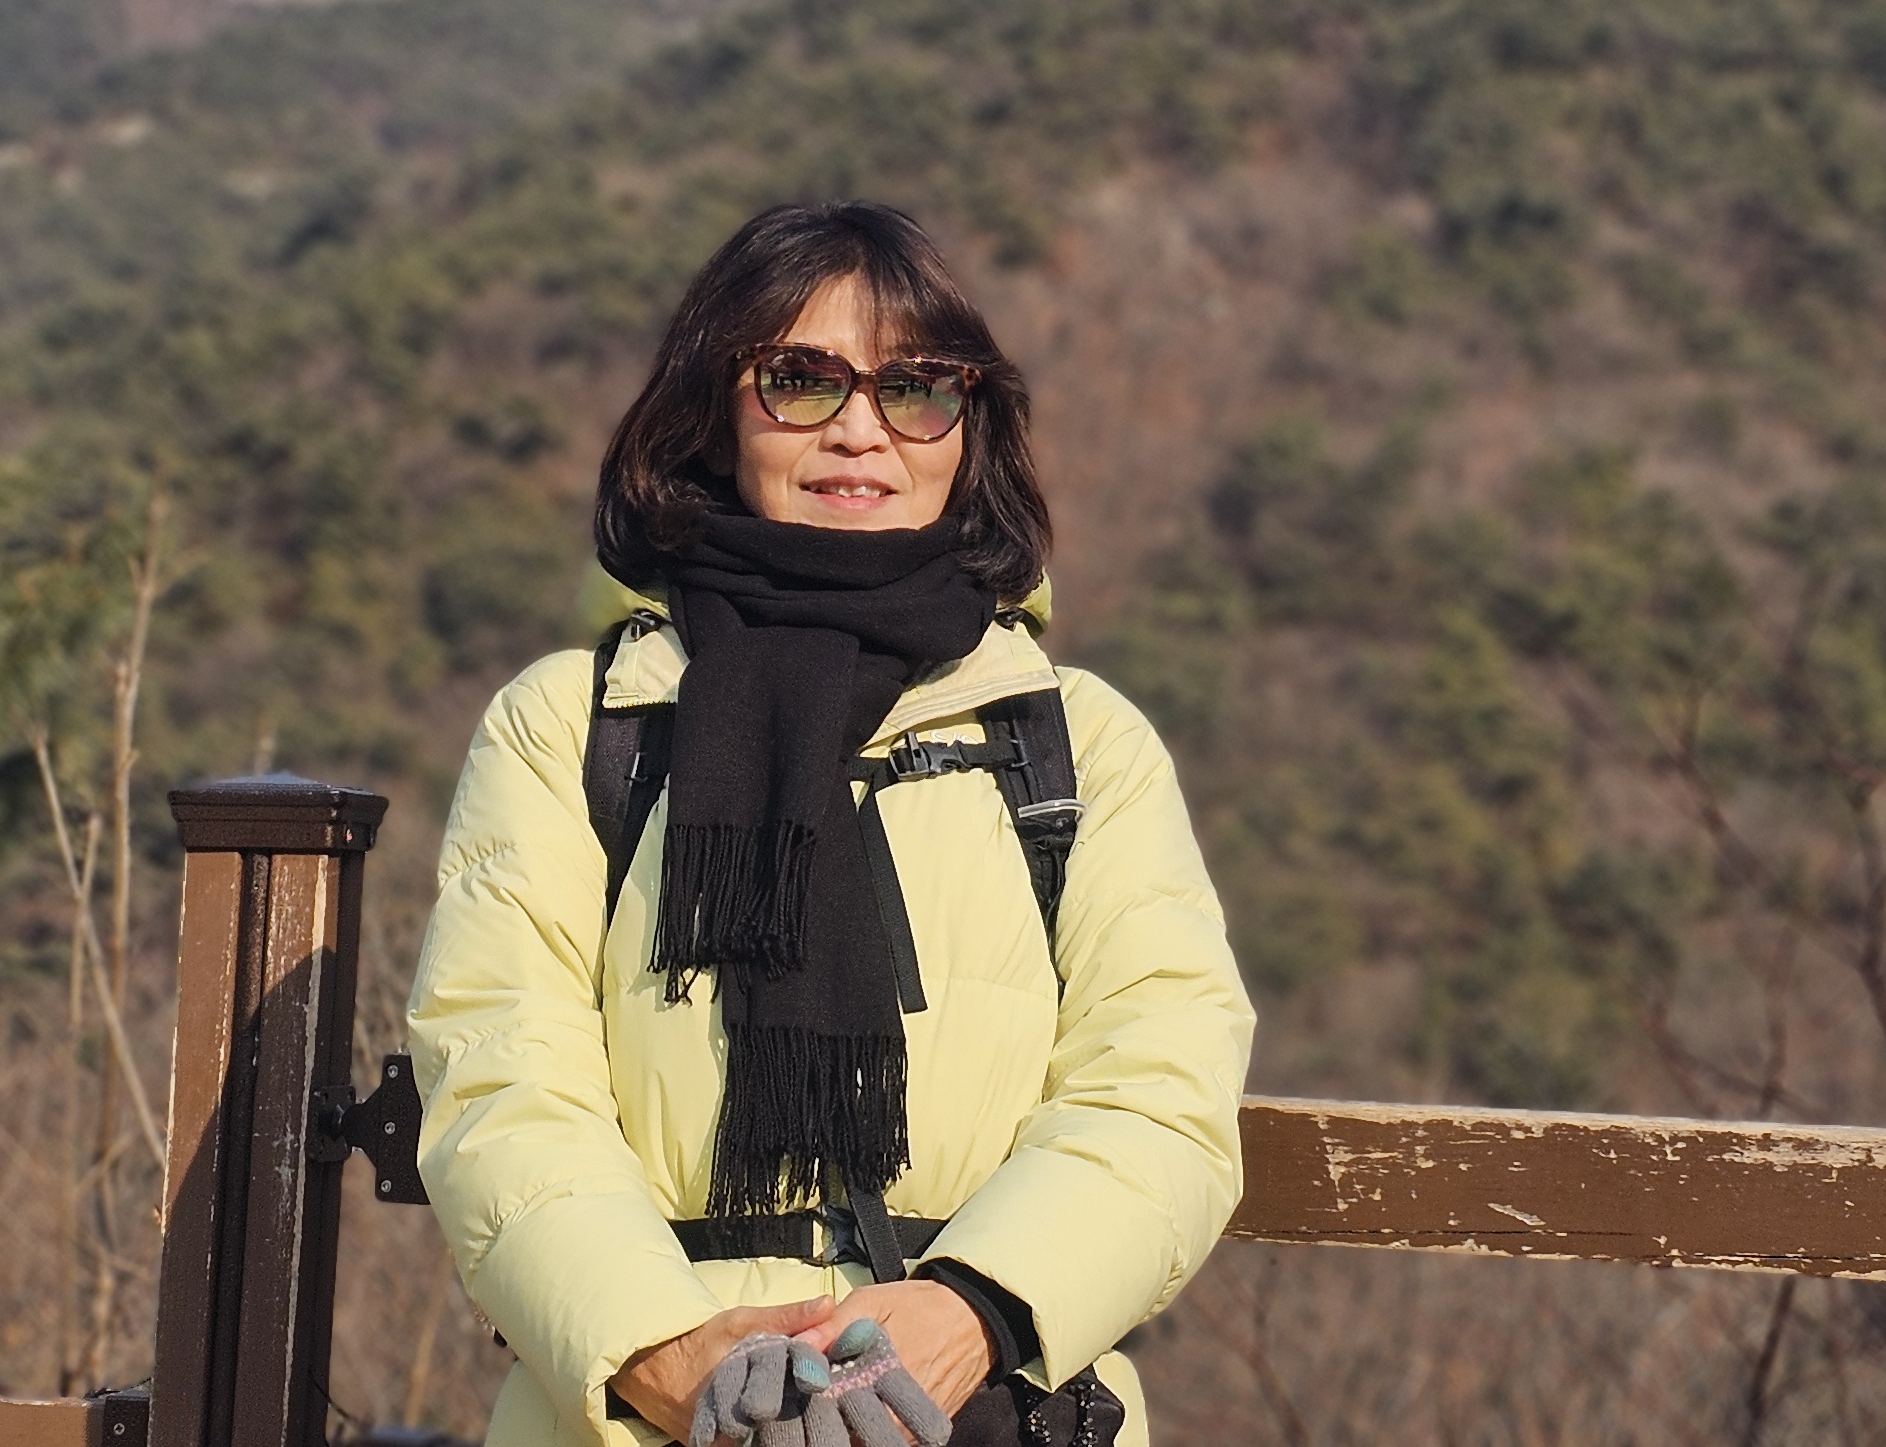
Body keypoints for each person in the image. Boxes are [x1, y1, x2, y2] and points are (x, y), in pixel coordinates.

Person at [408, 201, 1255, 1447]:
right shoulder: (575, 723)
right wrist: (670, 1355)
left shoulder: (1075, 739)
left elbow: (1159, 1090)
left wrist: (970, 1314)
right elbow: (500, 1082)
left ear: (967, 423)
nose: (860, 426)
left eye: (915, 387)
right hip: (648, 1416)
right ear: (713, 408)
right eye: (800, 379)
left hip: (989, 1401)